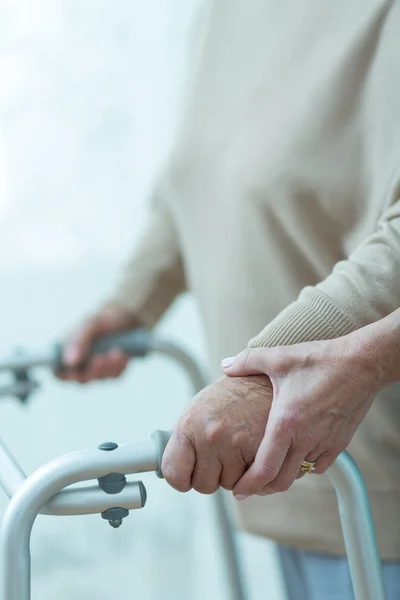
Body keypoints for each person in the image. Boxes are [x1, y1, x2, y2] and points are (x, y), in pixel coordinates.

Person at [59, 2, 400, 598]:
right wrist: (134, 299)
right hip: (284, 470)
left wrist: (263, 373)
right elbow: (196, 176)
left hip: (369, 474)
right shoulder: (227, 12)